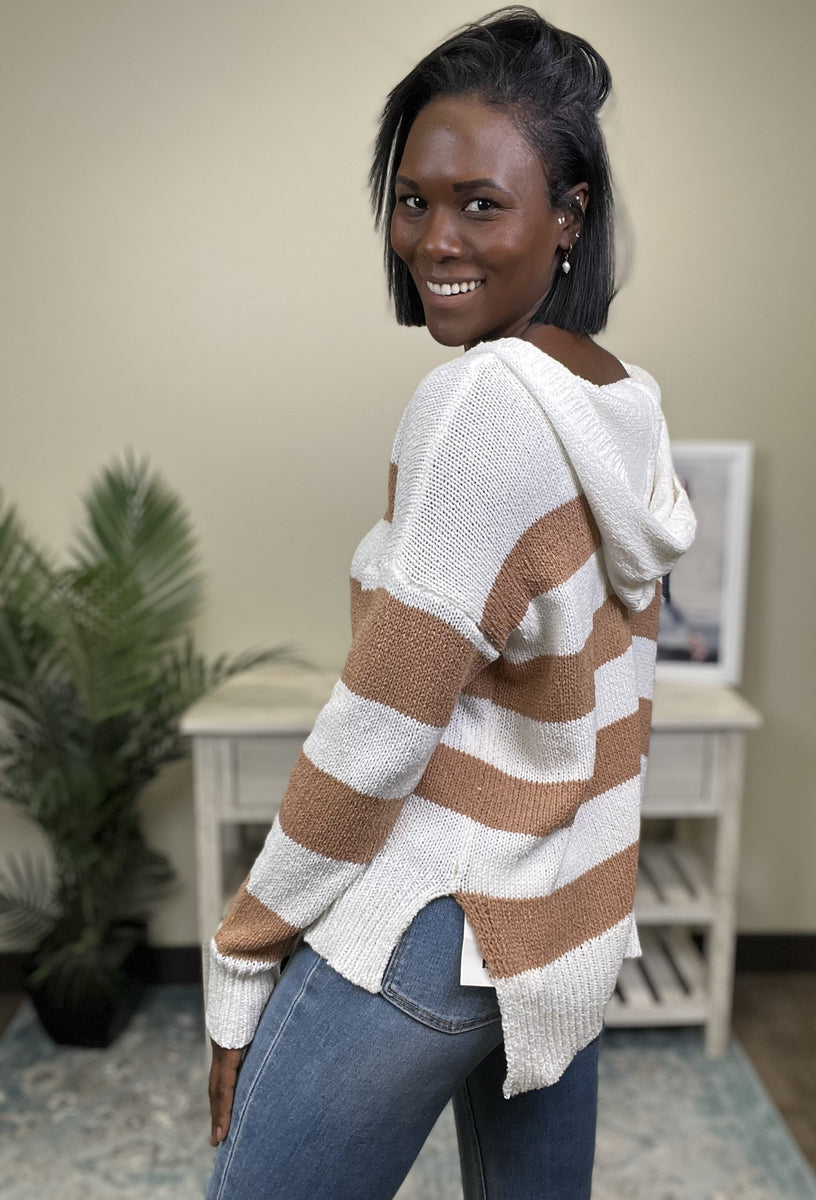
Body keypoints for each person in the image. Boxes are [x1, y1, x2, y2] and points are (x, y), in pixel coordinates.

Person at [204, 7, 696, 1198]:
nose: (435, 239)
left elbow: (380, 729)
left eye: (482, 203)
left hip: (433, 919)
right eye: (414, 200)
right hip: (559, 920)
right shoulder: (619, 400)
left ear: (569, 214)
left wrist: (243, 953)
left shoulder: (478, 407)